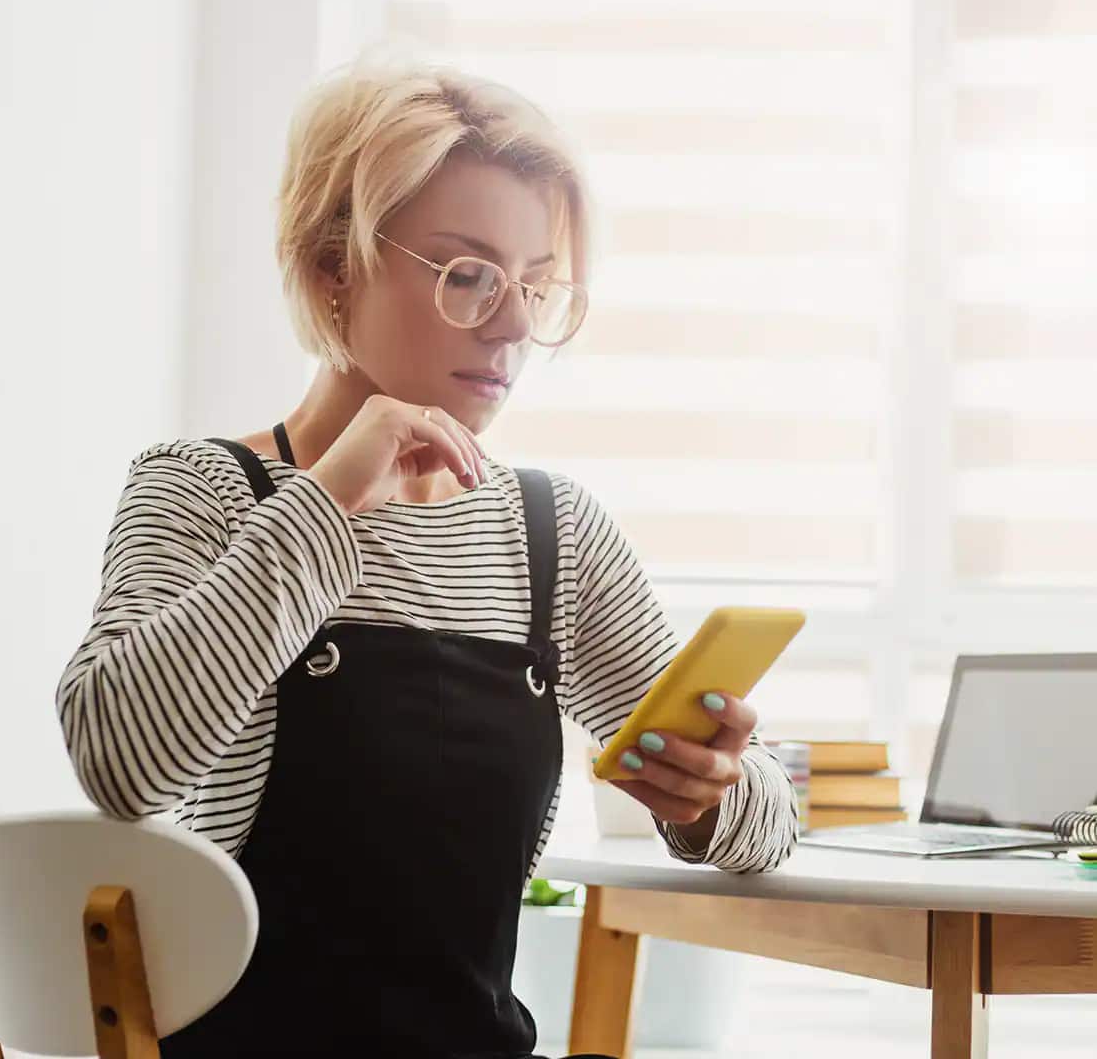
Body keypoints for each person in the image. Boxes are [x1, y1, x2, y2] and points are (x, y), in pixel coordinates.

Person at [55, 54, 799, 1059]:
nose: (510, 327)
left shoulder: (551, 535)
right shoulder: (201, 490)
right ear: (332, 267)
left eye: (535, 287)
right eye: (467, 275)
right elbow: (120, 766)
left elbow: (764, 829)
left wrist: (710, 801)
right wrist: (328, 499)